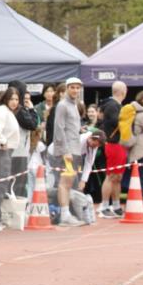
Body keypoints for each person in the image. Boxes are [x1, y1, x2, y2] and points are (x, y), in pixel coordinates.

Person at [51, 76, 85, 226]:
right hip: (67, 151)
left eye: (78, 88)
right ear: (67, 88)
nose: (75, 90)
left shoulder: (75, 105)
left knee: (69, 183)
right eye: (73, 87)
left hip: (75, 149)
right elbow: (59, 129)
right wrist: (65, 150)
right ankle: (64, 215)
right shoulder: (62, 105)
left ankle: (66, 213)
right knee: (64, 183)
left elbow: (70, 127)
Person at [0, 86, 21, 213]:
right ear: (6, 98)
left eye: (17, 99)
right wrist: (3, 141)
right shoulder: (2, 110)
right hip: (0, 152)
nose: (14, 102)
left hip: (5, 152)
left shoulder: (8, 111)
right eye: (11, 98)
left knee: (1, 185)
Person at [98, 80, 127, 217]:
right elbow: (118, 122)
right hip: (113, 144)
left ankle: (116, 206)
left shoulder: (114, 105)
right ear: (123, 92)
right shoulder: (112, 105)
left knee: (118, 177)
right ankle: (104, 206)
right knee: (111, 176)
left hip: (118, 144)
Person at [7, 80, 38, 197]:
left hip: (11, 151)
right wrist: (32, 109)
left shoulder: (6, 108)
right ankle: (17, 211)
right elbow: (33, 124)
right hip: (19, 152)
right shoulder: (19, 110)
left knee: (10, 182)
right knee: (19, 184)